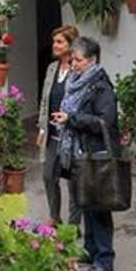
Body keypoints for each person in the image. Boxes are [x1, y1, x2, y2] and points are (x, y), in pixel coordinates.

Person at [50, 36, 118, 271]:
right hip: (81, 152)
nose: (74, 64)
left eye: (78, 60)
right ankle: (90, 251)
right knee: (86, 203)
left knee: (99, 208)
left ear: (92, 60)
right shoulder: (77, 83)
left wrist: (72, 119)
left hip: (96, 154)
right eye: (73, 59)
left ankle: (105, 260)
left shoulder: (101, 86)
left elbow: (104, 122)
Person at [37, 24, 81, 229]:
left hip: (72, 134)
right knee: (48, 176)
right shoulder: (52, 68)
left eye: (60, 41)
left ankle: (73, 226)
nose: (54, 45)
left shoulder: (79, 69)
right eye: (54, 41)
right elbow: (45, 100)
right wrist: (42, 128)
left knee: (74, 182)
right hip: (53, 133)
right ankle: (54, 216)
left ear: (71, 45)